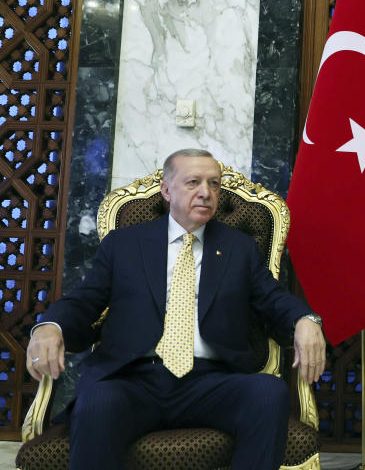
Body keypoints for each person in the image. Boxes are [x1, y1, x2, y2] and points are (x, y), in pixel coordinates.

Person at [25, 149, 327, 470]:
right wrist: (51, 326)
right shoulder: (124, 244)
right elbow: (85, 301)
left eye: (214, 184)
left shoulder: (239, 248)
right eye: (193, 182)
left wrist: (305, 320)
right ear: (167, 191)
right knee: (98, 401)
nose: (206, 193)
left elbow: (274, 299)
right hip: (134, 381)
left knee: (269, 392)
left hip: (211, 382)